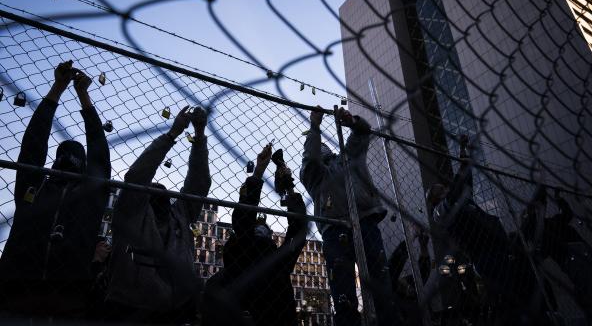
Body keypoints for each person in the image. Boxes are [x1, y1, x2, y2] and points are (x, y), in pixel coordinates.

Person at [0, 61, 111, 319]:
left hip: (67, 303)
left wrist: (80, 95)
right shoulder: (35, 187)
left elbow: (99, 154)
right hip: (16, 298)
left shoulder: (90, 195)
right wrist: (58, 89)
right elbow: (33, 146)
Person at [104, 105, 211, 323]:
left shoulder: (178, 214)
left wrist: (200, 135)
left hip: (178, 307)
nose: (159, 189)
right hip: (131, 306)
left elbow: (198, 183)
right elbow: (136, 175)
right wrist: (172, 135)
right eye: (152, 187)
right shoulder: (131, 213)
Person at [429, 135, 550, 325]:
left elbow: (465, 178)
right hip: (484, 256)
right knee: (507, 296)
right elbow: (457, 187)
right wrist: (462, 166)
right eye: (439, 191)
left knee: (522, 288)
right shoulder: (440, 212)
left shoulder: (462, 201)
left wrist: (463, 150)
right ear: (435, 200)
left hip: (500, 250)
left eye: (443, 187)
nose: (444, 189)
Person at [300, 107, 398, 326]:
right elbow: (311, 160)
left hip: (365, 221)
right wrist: (314, 127)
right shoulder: (314, 174)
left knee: (381, 281)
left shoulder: (347, 159)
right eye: (318, 148)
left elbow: (364, 133)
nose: (322, 151)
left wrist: (352, 121)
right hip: (335, 228)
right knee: (343, 290)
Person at [203, 144, 308, 326]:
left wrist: (288, 189)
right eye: (257, 228)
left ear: (269, 237)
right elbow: (244, 219)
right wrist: (258, 173)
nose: (260, 230)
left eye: (264, 229)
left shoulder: (276, 262)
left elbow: (298, 231)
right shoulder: (243, 251)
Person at [521, 186, 592, 324]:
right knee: (590, 289)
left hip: (581, 252)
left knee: (590, 287)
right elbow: (536, 213)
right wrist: (540, 198)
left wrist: (558, 199)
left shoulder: (552, 222)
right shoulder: (540, 234)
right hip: (574, 256)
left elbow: (567, 214)